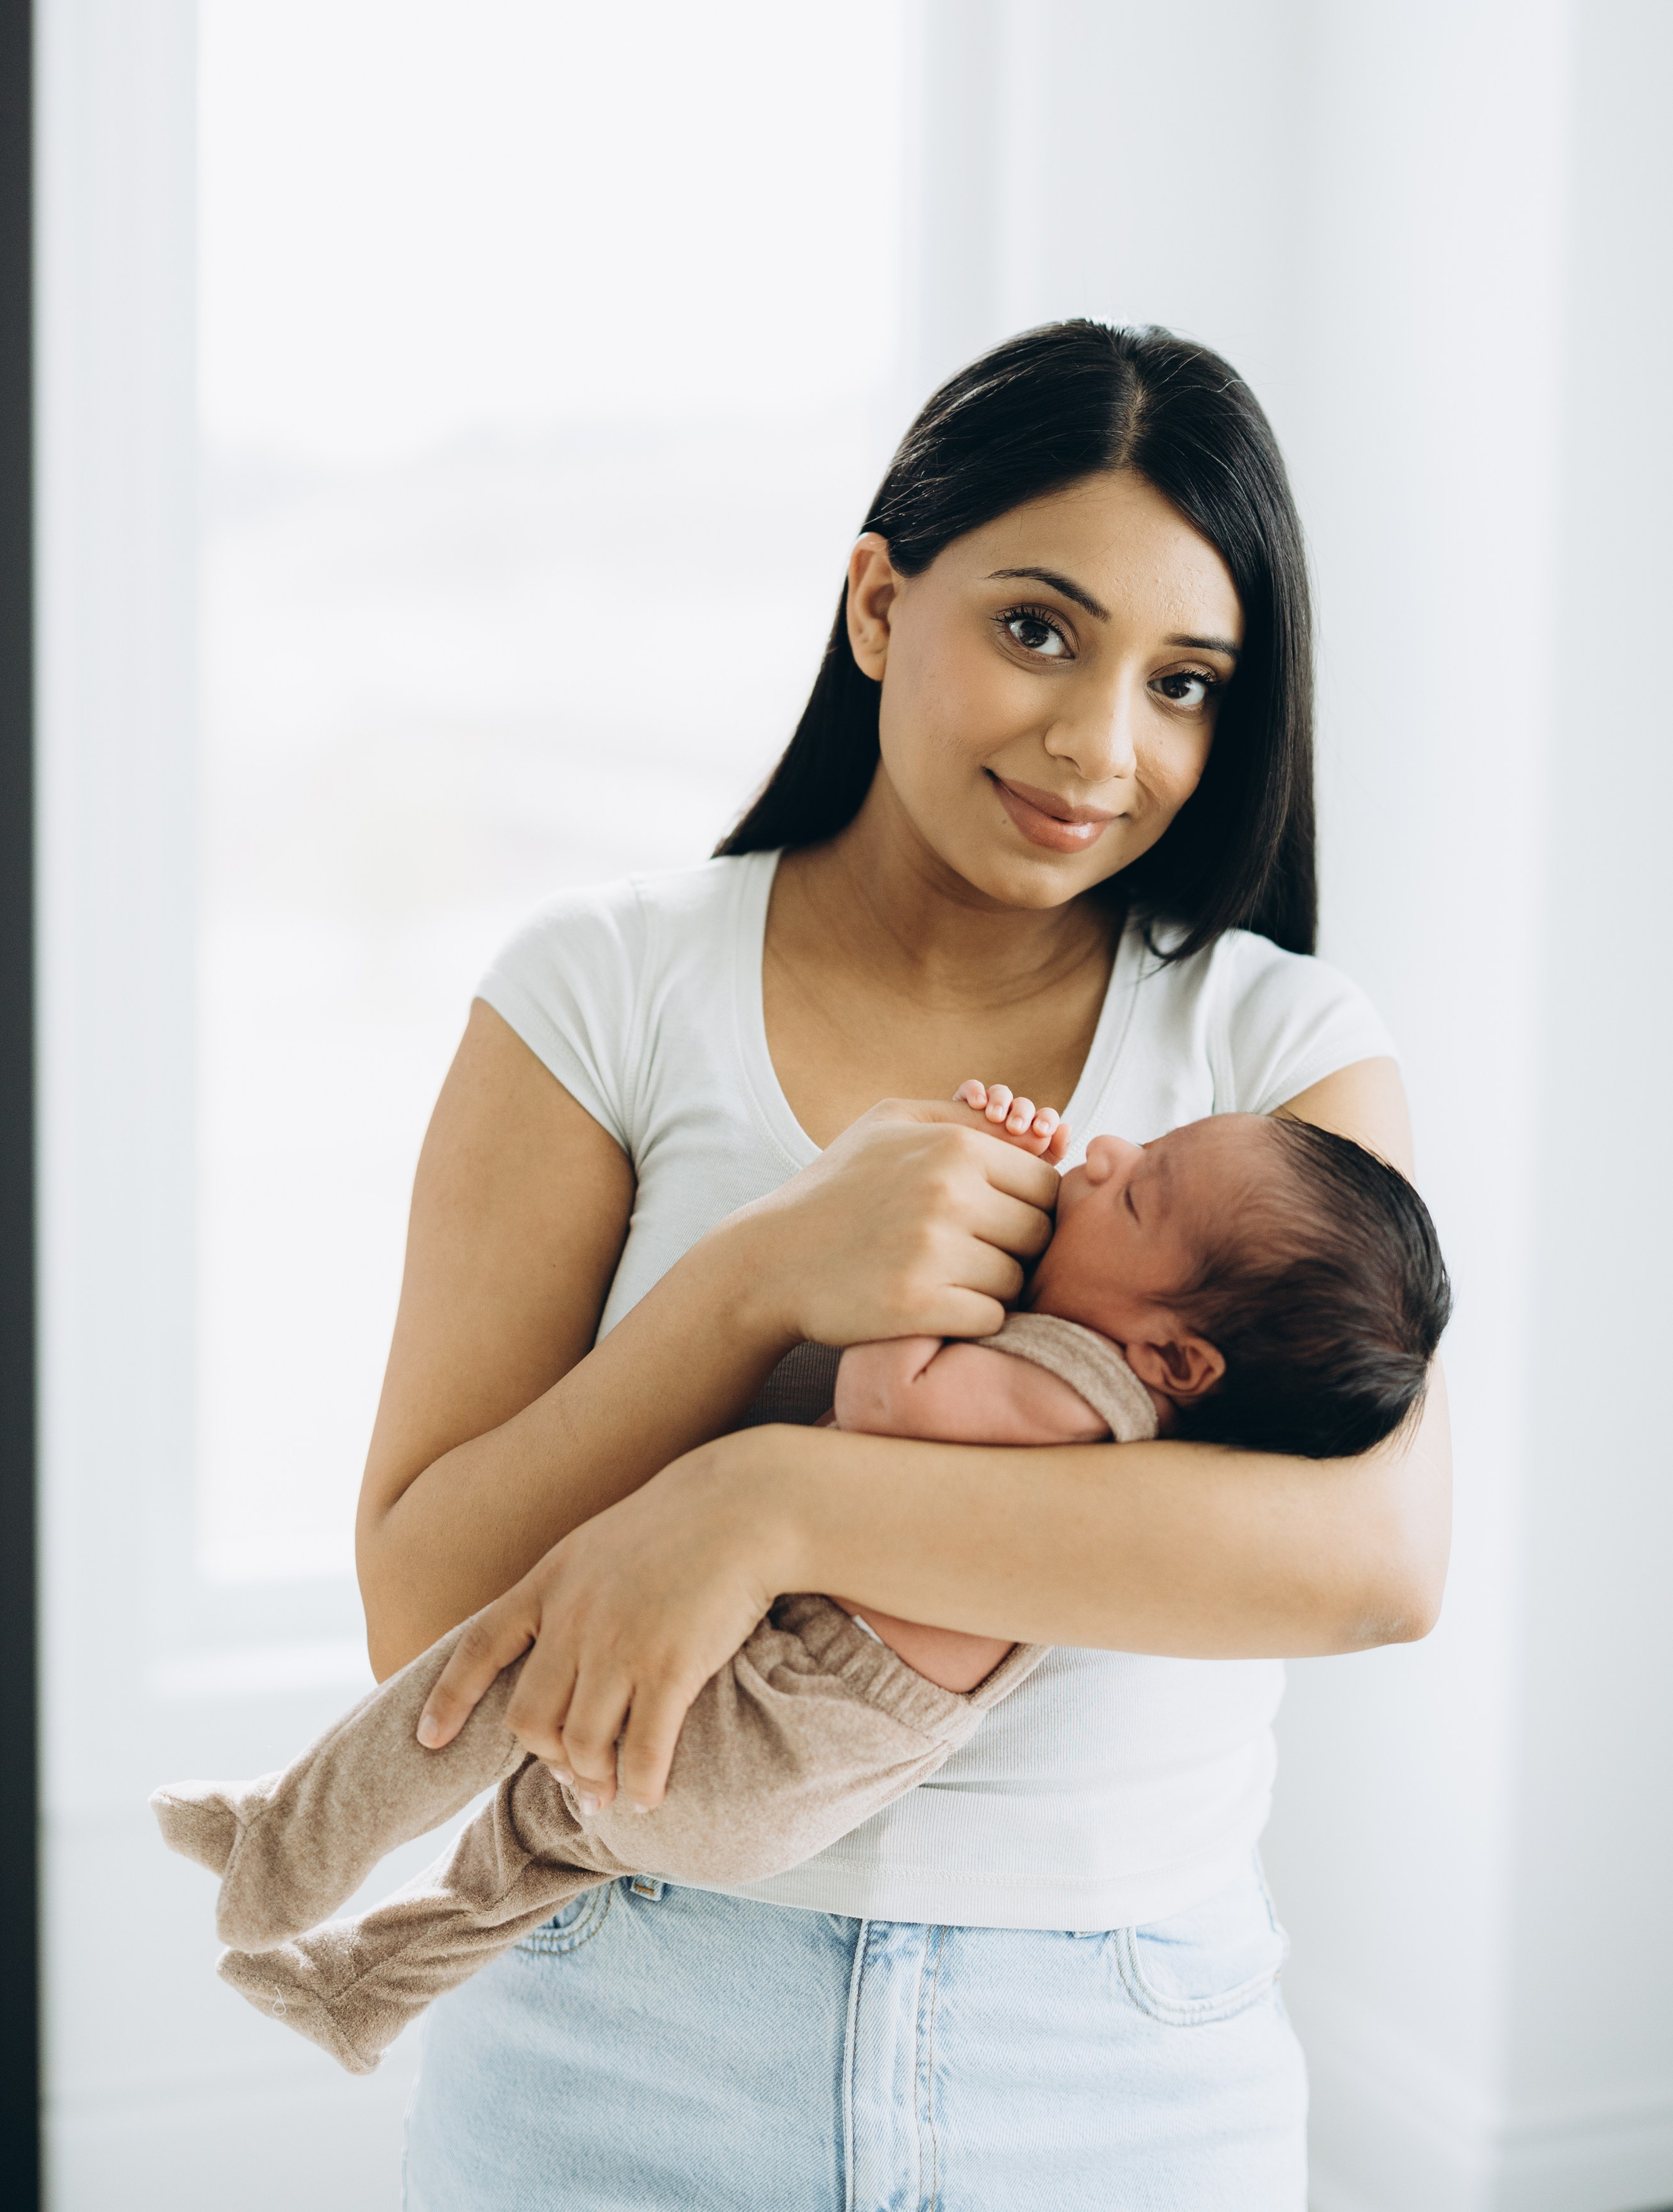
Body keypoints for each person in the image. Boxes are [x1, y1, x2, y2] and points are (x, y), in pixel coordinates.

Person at [354, 323, 1448, 2209]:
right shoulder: (600, 991)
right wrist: (758, 1281)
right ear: (878, 603)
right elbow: (422, 1616)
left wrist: (773, 1502)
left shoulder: (1281, 1055)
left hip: (1121, 2070)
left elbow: (1367, 1563)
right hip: (624, 2029)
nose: (1103, 746)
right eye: (1039, 630)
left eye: (1186, 682)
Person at [152, 1089, 1448, 2080]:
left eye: (1140, 1197)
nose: (1104, 1157)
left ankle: (285, 1841)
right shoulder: (1117, 1413)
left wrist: (895, 1253)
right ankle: (359, 1990)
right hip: (764, 1782)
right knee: (531, 1848)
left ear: (1175, 1357)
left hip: (760, 1715)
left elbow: (888, 1396)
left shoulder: (1073, 1394)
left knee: (487, 1671)